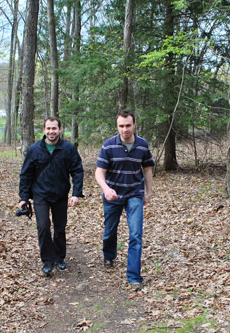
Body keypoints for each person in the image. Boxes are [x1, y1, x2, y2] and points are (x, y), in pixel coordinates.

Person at [95, 109, 154, 291]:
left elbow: (147, 169)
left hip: (134, 194)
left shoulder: (143, 145)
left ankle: (134, 277)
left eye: (128, 125)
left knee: (135, 234)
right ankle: (109, 255)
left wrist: (148, 192)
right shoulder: (109, 145)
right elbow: (99, 172)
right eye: (121, 126)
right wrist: (106, 189)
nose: (125, 129)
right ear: (117, 126)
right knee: (110, 231)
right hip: (112, 194)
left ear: (134, 125)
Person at [18, 117, 84, 277]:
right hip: (40, 195)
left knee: (60, 227)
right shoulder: (35, 149)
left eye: (54, 128)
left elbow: (77, 171)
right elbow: (25, 174)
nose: (51, 131)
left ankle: (59, 257)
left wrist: (76, 193)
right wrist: (23, 198)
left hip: (61, 194)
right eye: (48, 128)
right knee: (43, 226)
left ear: (60, 130)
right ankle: (47, 260)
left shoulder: (68, 149)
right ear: (44, 130)